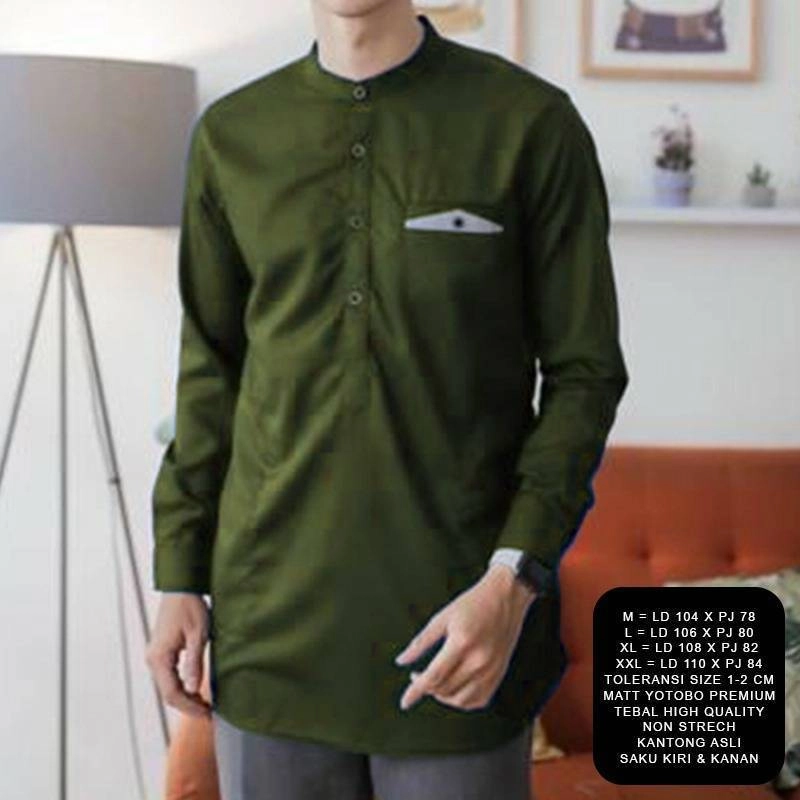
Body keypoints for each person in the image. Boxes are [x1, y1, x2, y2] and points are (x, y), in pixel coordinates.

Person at [145, 1, 629, 798]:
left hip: (460, 630)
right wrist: (178, 576)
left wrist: (513, 579)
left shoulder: (529, 124)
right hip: (267, 633)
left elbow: (586, 373)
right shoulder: (233, 135)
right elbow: (211, 372)